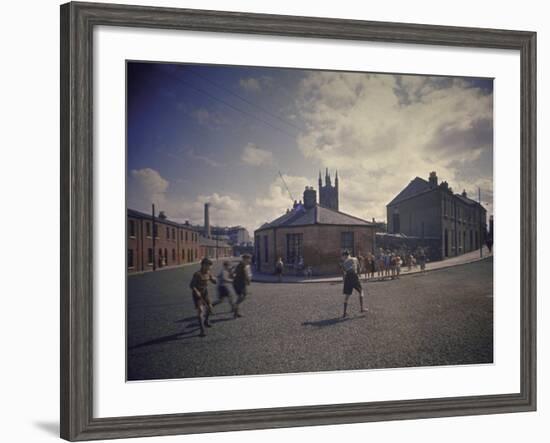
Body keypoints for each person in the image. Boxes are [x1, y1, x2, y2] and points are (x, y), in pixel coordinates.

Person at [189, 258, 217, 337]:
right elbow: (191, 285)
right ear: (203, 265)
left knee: (210, 308)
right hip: (197, 294)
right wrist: (196, 291)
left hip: (205, 293)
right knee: (200, 311)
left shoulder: (208, 272)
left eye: (210, 266)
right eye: (208, 265)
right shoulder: (197, 274)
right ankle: (202, 331)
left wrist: (214, 280)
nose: (210, 267)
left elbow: (213, 280)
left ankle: (206, 321)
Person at [341, 250, 366, 318]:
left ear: (345, 255)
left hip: (348, 278)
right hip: (354, 276)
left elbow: (344, 273)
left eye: (342, 256)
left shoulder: (343, 263)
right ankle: (362, 308)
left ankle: (344, 313)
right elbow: (358, 269)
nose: (342, 257)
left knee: (347, 295)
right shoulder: (355, 259)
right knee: (361, 291)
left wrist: (344, 280)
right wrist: (359, 273)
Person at [233, 254, 252, 318]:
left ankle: (236, 312)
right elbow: (246, 274)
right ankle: (235, 308)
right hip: (240, 284)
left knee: (241, 297)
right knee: (242, 296)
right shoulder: (243, 265)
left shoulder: (240, 265)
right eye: (248, 259)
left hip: (238, 283)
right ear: (244, 259)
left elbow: (235, 272)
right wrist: (248, 281)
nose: (249, 260)